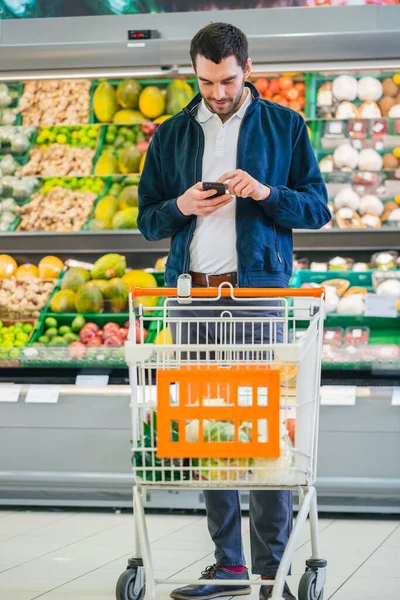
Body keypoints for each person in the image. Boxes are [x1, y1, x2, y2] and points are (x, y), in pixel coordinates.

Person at [138, 22, 330, 600]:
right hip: (190, 296)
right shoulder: (171, 135)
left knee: (264, 432)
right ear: (194, 72)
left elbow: (316, 209)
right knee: (207, 430)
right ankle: (227, 565)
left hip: (257, 293)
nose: (217, 93)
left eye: (226, 80)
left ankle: (270, 567)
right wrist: (181, 204)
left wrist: (265, 193)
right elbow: (149, 220)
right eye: (205, 81)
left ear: (247, 66)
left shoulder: (285, 125)